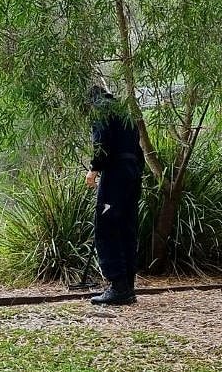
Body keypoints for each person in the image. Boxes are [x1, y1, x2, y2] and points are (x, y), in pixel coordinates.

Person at [84, 85, 143, 305]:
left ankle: (118, 287)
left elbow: (102, 141)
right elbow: (138, 149)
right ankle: (128, 285)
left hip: (116, 173)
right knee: (127, 227)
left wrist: (94, 169)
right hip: (132, 174)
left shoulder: (101, 108)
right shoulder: (124, 111)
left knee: (107, 226)